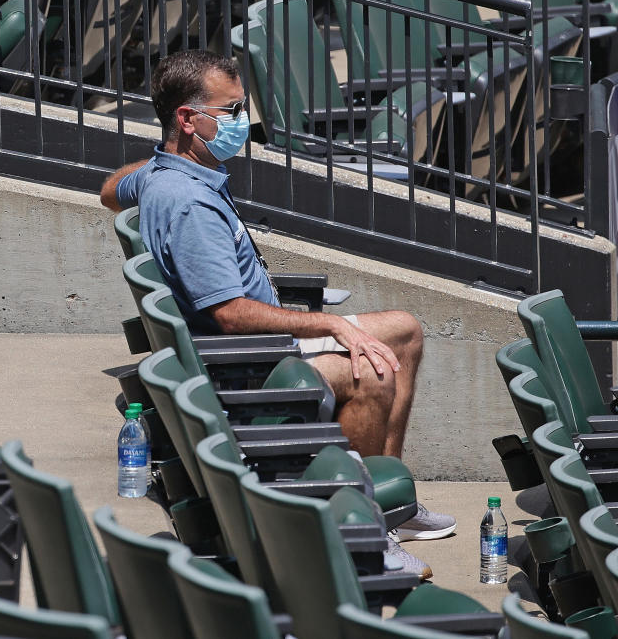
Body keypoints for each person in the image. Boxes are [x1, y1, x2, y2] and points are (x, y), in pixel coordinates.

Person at [99, 49, 454, 574]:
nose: (243, 123)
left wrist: (158, 160)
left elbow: (109, 190)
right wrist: (330, 323)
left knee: (403, 331)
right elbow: (229, 314)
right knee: (372, 371)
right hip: (246, 360)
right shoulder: (190, 204)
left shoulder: (161, 174)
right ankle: (362, 533)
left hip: (254, 340)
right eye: (231, 111)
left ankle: (383, 499)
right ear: (187, 118)